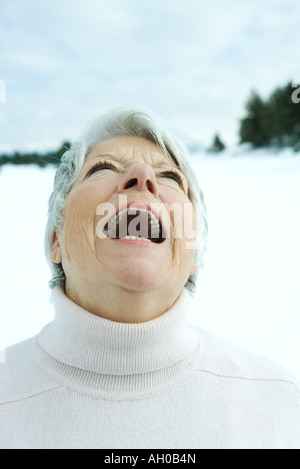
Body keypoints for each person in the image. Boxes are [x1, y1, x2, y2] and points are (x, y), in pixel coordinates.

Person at [0, 108, 299, 449]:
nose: (142, 176)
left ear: (194, 253)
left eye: (171, 178)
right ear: (55, 238)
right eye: (103, 167)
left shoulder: (280, 406)